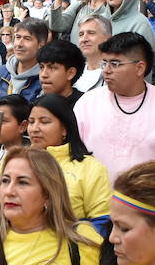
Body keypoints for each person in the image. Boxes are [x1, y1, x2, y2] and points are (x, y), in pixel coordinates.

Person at [75, 31, 155, 181]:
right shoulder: (87, 103)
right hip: (92, 201)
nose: (106, 70)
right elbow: (72, 155)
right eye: (104, 63)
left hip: (147, 201)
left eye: (115, 64)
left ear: (139, 68)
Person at [24, 94, 110, 222]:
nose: (34, 129)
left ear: (64, 128)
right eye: (31, 122)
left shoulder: (91, 168)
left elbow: (102, 221)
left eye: (44, 122)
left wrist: (73, 241)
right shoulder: (17, 162)